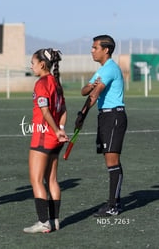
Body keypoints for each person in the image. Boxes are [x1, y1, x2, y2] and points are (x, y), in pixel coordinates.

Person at [76, 35, 126, 217]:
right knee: (110, 161)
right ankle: (115, 202)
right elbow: (85, 91)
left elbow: (94, 94)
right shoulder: (102, 70)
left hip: (114, 116)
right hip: (104, 117)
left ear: (106, 50)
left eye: (95, 47)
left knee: (113, 162)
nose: (92, 50)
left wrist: (82, 114)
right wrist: (90, 87)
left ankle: (113, 206)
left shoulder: (110, 69)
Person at [23, 48, 68, 234]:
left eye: (33, 63)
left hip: (43, 137)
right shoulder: (56, 83)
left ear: (42, 64)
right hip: (55, 140)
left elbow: (44, 111)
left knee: (36, 180)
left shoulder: (42, 83)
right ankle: (54, 220)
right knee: (52, 180)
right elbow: (63, 110)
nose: (31, 66)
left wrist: (57, 130)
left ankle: (43, 223)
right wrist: (61, 130)